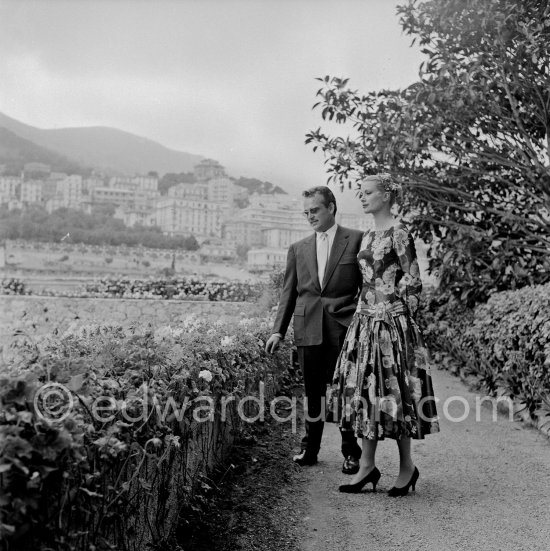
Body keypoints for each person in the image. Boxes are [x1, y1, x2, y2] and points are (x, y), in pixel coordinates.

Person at [330, 173, 439, 496]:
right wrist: (362, 312)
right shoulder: (366, 236)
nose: (361, 198)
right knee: (366, 390)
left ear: (386, 196)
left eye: (368, 193)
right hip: (364, 324)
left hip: (392, 326)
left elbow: (414, 280)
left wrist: (398, 310)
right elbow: (366, 282)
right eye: (360, 193)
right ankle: (367, 465)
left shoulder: (400, 232)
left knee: (395, 390)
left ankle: (407, 468)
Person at [265, 186, 363, 473]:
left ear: (331, 207)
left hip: (343, 327)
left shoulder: (356, 240)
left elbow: (365, 286)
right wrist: (277, 331)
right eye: (306, 212)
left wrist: (358, 318)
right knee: (313, 392)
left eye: (315, 210)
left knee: (345, 391)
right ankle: (310, 449)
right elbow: (288, 294)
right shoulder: (298, 249)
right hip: (307, 327)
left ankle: (351, 452)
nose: (310, 216)